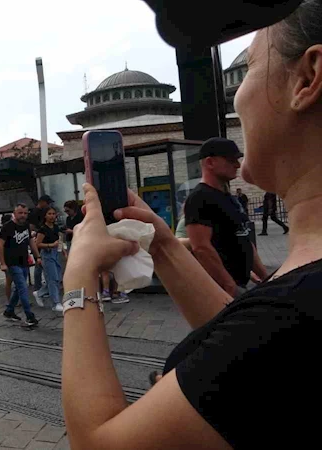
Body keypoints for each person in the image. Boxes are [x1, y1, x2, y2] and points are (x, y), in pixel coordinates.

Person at [60, 6, 322, 447]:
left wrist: (78, 277)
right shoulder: (295, 301)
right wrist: (161, 245)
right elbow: (242, 339)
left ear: (308, 78)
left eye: (251, 65)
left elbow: (97, 441)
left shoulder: (298, 310)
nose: (236, 97)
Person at [184, 137, 268, 296]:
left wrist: (265, 276)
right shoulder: (200, 198)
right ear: (210, 163)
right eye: (231, 160)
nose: (237, 165)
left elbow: (243, 238)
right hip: (220, 290)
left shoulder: (229, 197)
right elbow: (201, 248)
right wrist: (229, 286)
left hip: (239, 284)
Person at [0, 203, 41, 326]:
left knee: (18, 289)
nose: (23, 215)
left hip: (23, 262)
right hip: (12, 263)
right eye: (20, 213)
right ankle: (29, 316)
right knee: (23, 287)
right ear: (15, 213)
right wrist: (2, 263)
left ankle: (9, 310)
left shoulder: (26, 226)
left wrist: (37, 256)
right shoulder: (8, 227)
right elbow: (0, 245)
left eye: (25, 213)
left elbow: (31, 241)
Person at [34, 207, 64, 312]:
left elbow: (60, 240)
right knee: (52, 279)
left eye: (53, 213)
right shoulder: (42, 229)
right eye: (49, 213)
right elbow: (37, 244)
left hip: (56, 253)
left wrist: (64, 252)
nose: (52, 216)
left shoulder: (56, 227)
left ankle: (40, 293)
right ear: (45, 216)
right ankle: (56, 303)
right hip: (47, 254)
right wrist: (51, 245)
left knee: (58, 278)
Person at [29, 195, 53, 293]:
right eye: (47, 203)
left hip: (42, 239)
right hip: (38, 240)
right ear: (42, 202)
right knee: (39, 264)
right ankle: (38, 287)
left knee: (42, 264)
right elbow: (31, 227)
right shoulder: (35, 212)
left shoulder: (40, 211)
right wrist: (41, 231)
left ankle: (43, 286)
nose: (48, 205)